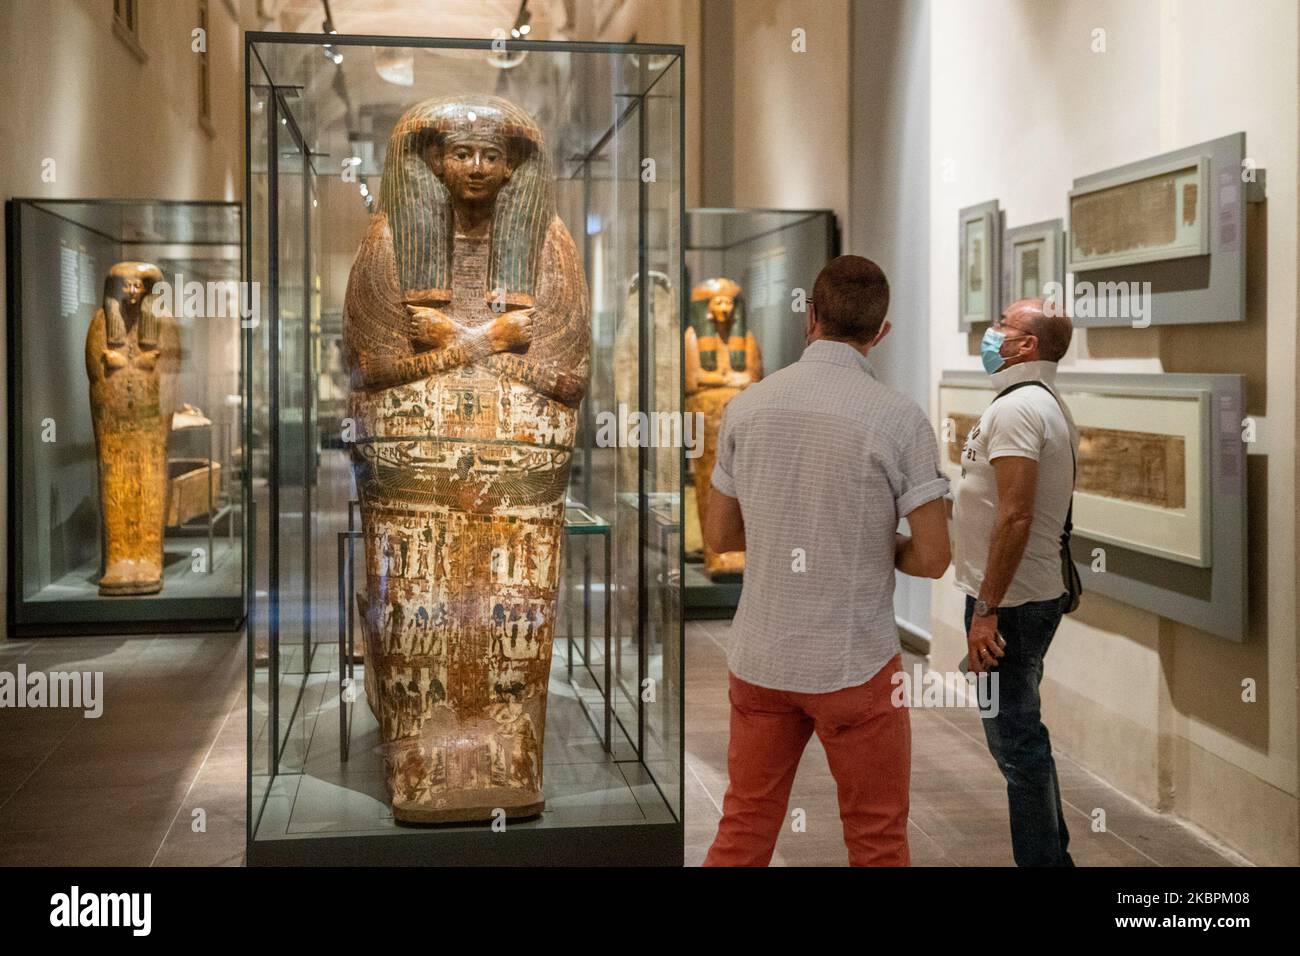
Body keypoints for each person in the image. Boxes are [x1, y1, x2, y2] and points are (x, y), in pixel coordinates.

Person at [702, 255, 951, 867]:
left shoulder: (748, 407)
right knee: (877, 838)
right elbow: (934, 558)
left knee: (744, 825)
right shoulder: (901, 420)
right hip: (856, 662)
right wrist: (877, 544)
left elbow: (720, 536)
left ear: (809, 316)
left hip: (762, 657)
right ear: (880, 332)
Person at [952, 296, 1079, 867]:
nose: (991, 331)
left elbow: (1015, 514)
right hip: (1018, 599)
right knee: (1020, 736)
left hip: (1009, 606)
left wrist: (986, 608)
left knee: (1016, 744)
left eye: (1002, 324)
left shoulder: (1019, 408)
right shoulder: (1034, 402)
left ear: (1027, 345)